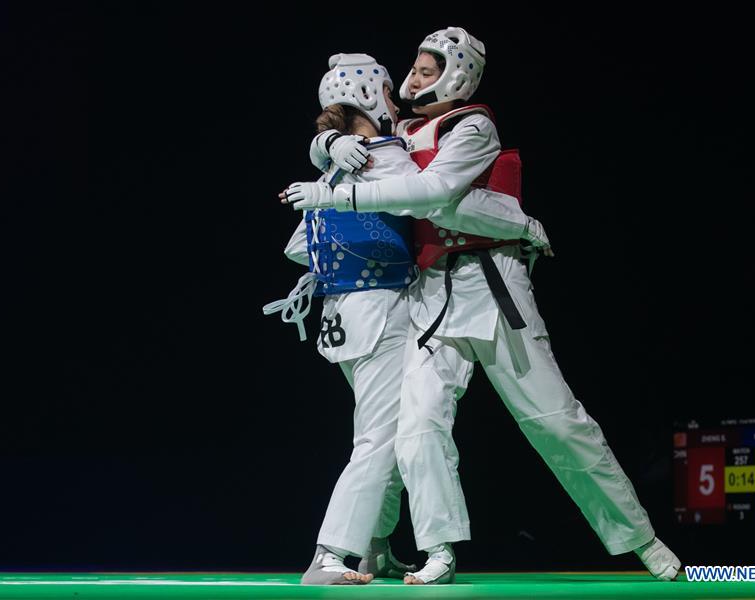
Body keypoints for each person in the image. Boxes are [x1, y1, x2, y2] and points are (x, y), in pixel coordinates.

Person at [285, 26, 681, 585]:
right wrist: (326, 145)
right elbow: (347, 128)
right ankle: (440, 551)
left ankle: (642, 539)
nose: (413, 79)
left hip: (493, 287)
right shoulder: (400, 131)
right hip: (429, 296)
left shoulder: (474, 126)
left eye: (426, 71)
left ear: (457, 76)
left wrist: (338, 190)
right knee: (418, 428)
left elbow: (435, 195)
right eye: (415, 69)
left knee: (556, 424)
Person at [267, 52, 549, 585]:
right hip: (381, 310)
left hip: (342, 315)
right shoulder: (388, 159)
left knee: (396, 433)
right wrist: (519, 222)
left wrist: (325, 146)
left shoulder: (335, 163)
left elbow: (298, 248)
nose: (398, 102)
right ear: (370, 100)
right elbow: (432, 200)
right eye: (389, 95)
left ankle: (375, 547)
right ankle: (330, 553)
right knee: (378, 437)